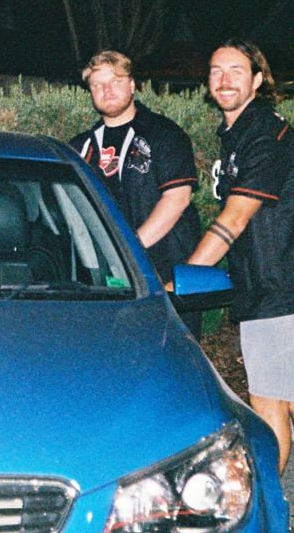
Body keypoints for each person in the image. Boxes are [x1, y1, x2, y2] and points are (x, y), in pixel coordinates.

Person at [183, 38, 294, 533]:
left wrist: (185, 277)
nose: (225, 79)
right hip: (282, 286)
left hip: (280, 288)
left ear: (258, 79)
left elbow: (235, 218)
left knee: (270, 402)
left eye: (237, 70)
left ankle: (259, 519)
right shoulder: (240, 133)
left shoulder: (263, 133)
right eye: (216, 70)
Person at [70, 50, 203, 337]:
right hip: (107, 281)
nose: (107, 90)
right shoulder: (81, 147)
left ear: (132, 85)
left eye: (115, 81)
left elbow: (177, 199)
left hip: (166, 276)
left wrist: (127, 250)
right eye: (97, 84)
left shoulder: (165, 135)